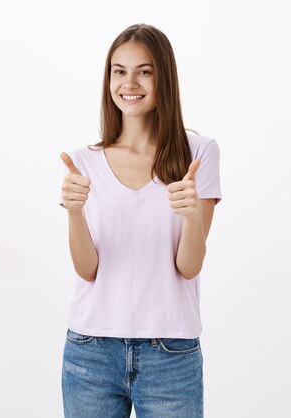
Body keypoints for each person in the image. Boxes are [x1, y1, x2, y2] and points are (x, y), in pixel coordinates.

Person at [58, 23, 221, 417]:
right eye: (119, 71)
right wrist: (75, 213)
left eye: (144, 71)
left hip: (170, 355)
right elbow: (87, 270)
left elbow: (189, 266)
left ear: (163, 77)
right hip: (90, 352)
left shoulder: (198, 154)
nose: (129, 83)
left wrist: (191, 215)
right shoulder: (84, 161)